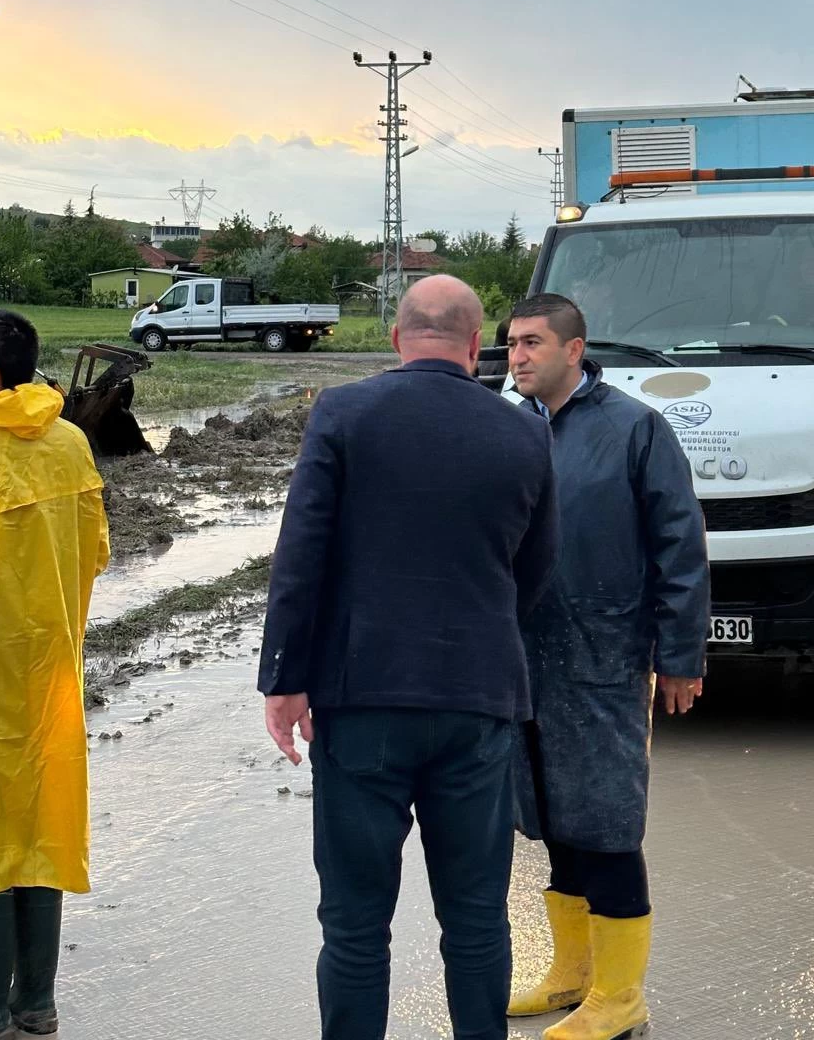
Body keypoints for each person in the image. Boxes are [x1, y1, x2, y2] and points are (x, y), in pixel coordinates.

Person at [258, 275, 559, 1040]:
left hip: (363, 704)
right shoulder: (525, 432)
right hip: (479, 702)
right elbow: (538, 569)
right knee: (476, 919)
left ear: (397, 339)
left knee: (356, 926)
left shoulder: (345, 413)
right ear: (474, 344)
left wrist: (285, 680)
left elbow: (302, 557)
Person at [505, 293, 710, 1040]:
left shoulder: (633, 429)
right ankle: (574, 973)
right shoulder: (510, 427)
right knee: (551, 819)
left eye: (531, 343)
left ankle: (622, 999)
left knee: (606, 824)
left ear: (574, 349)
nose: (517, 356)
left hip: (604, 653)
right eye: (510, 344)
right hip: (523, 658)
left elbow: (680, 546)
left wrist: (680, 654)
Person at [0, 311, 110, 1040]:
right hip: (53, 676)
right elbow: (94, 553)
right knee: (45, 825)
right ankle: (37, 1004)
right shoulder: (71, 443)